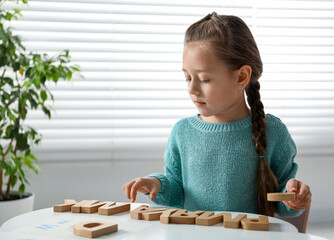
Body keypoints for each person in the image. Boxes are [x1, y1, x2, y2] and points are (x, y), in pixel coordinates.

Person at [123, 12, 311, 217]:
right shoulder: (182, 132)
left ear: (241, 76)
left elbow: (279, 200)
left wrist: (293, 196)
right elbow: (176, 190)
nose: (192, 89)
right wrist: (156, 184)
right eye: (187, 77)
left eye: (204, 79)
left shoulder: (273, 131)